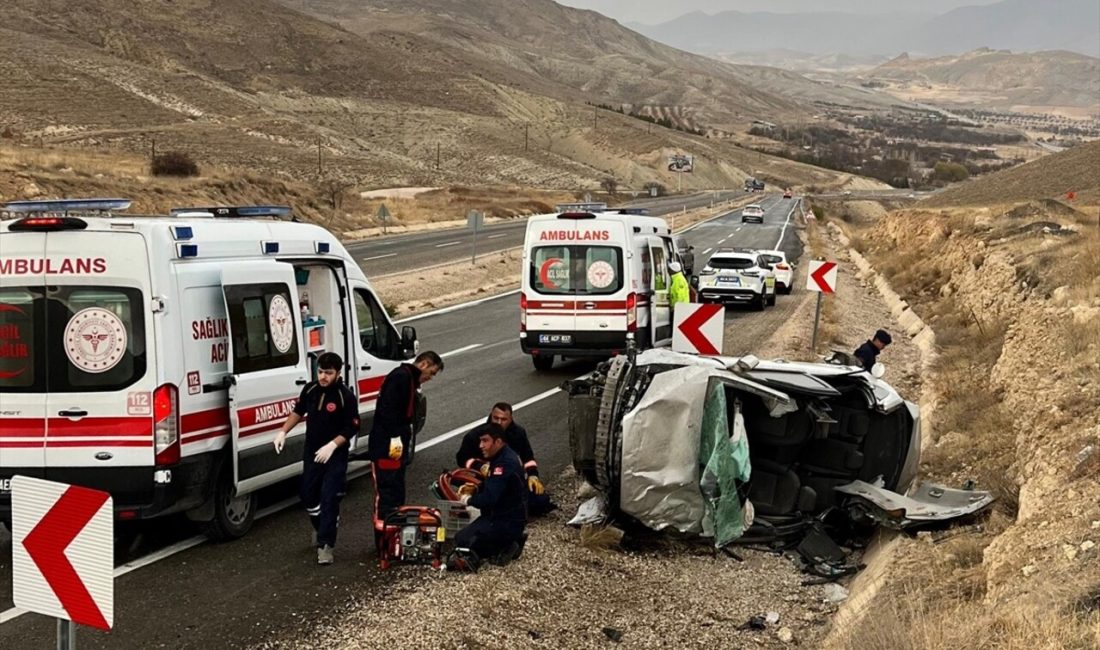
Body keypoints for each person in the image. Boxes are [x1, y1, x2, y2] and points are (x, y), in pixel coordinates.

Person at [274, 352, 358, 565]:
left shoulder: (345, 396)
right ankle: (321, 526)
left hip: (335, 453)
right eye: (320, 371)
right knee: (308, 494)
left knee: (329, 496)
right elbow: (298, 411)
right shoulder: (310, 389)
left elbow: (352, 426)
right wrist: (283, 431)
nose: (323, 377)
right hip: (312, 451)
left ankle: (326, 545)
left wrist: (332, 445)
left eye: (328, 373)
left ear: (338, 373)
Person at [367, 350, 444, 551]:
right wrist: (394, 437)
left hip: (394, 447)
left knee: (395, 491)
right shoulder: (401, 378)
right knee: (387, 493)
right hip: (387, 447)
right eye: (432, 373)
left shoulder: (407, 378)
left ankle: (393, 538)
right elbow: (388, 410)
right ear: (424, 364)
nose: (430, 378)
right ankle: (384, 541)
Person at [456, 403, 556, 516]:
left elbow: (528, 458)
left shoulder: (518, 434)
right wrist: (479, 466)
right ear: (491, 416)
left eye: (503, 419)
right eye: (496, 418)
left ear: (510, 419)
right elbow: (462, 458)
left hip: (511, 480)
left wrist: (533, 475)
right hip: (486, 480)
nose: (499, 422)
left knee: (540, 501)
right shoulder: (475, 435)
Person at [451, 423, 528, 571]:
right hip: (509, 515)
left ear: (498, 442)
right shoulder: (504, 455)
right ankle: (509, 539)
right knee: (467, 535)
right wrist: (477, 488)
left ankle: (506, 545)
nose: (481, 445)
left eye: (485, 441)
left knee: (463, 541)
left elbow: (489, 499)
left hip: (506, 519)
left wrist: (468, 499)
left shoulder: (504, 463)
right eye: (480, 441)